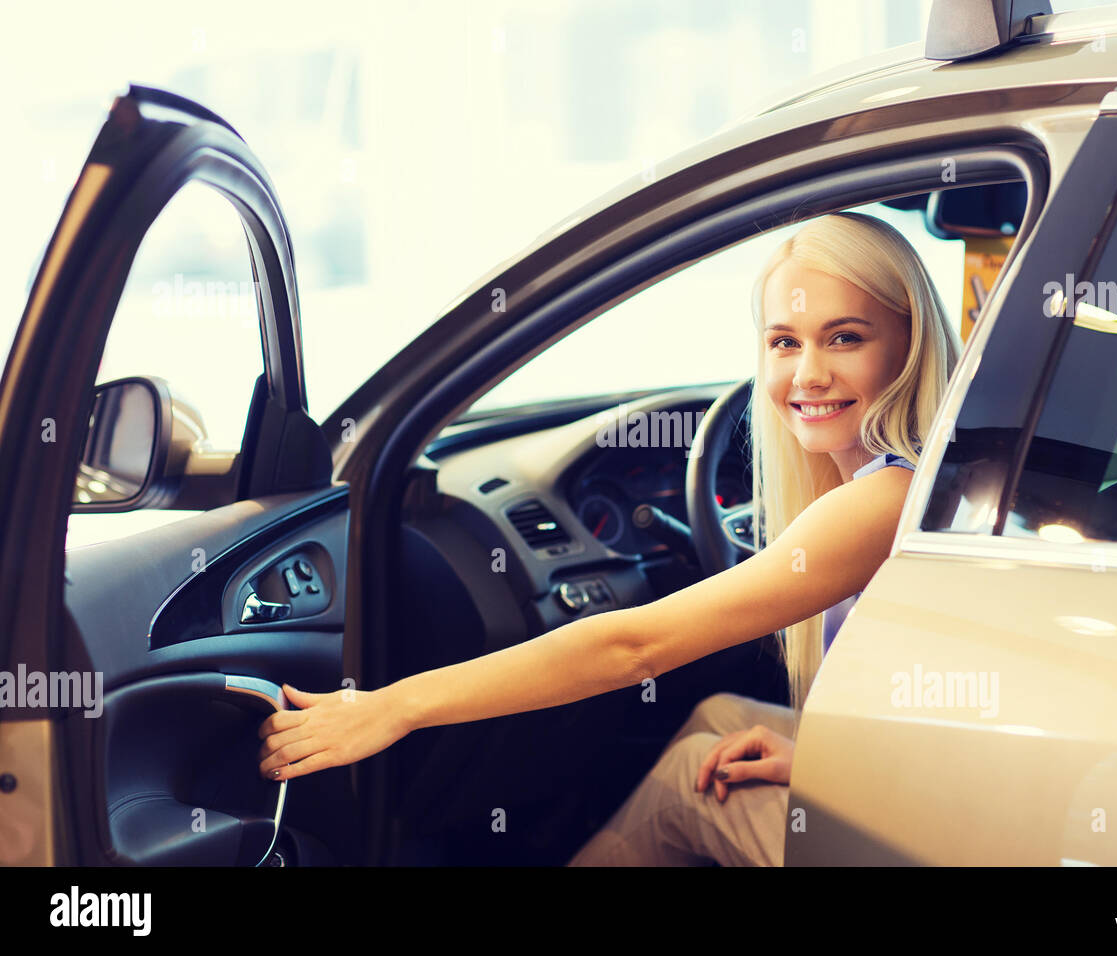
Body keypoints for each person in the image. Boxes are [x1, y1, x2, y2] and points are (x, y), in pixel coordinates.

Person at [256, 211, 961, 865]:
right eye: (785, 342)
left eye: (845, 338)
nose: (809, 374)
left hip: (957, 836)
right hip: (946, 790)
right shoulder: (922, 477)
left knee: (692, 779)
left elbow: (631, 648)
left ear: (909, 341)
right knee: (718, 717)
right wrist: (822, 758)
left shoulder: (884, 498)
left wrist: (393, 707)